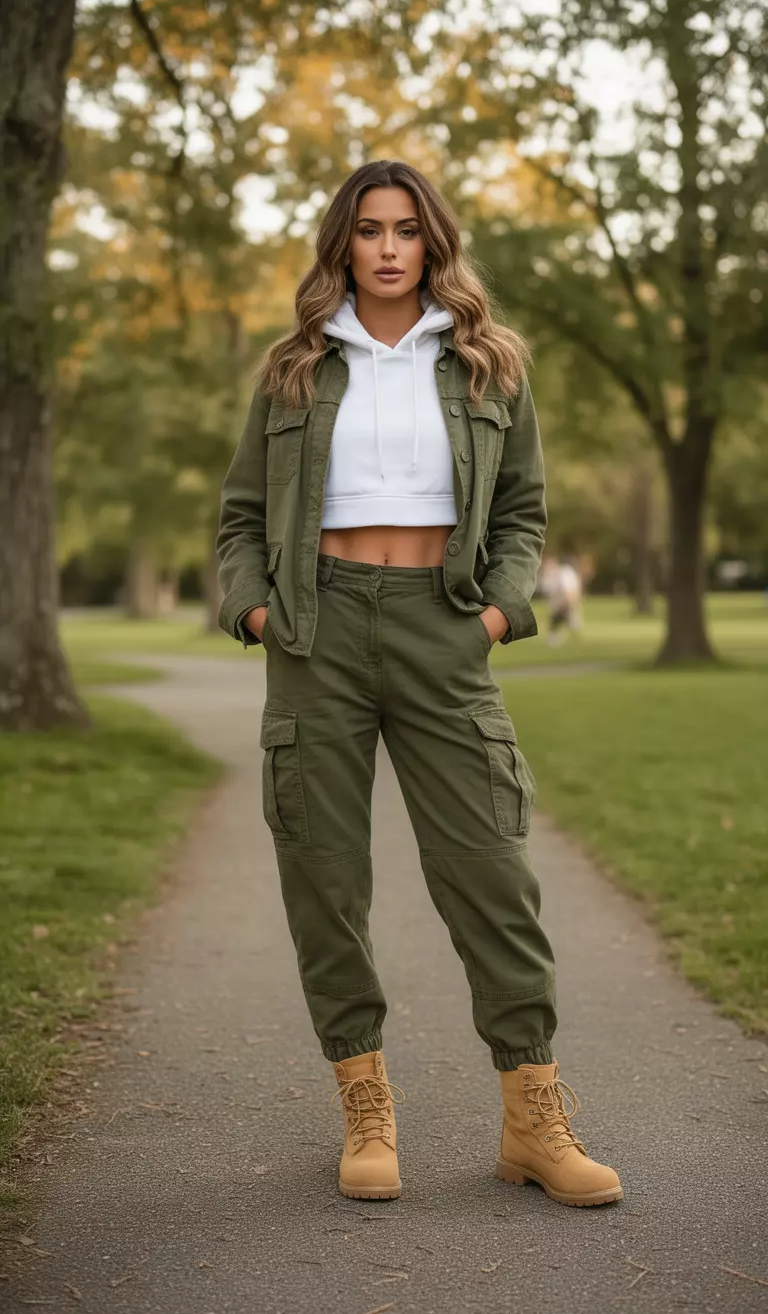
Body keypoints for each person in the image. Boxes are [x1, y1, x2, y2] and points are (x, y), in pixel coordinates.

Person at [216, 160, 622, 1209]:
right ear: (342, 245)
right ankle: (365, 1107)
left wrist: (496, 615)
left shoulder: (488, 364)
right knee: (324, 877)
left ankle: (533, 1120)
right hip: (317, 630)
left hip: (443, 628)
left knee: (492, 870)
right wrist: (258, 613)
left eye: (406, 229)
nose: (389, 248)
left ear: (434, 241)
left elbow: (523, 511)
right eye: (369, 230)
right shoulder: (295, 368)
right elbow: (242, 518)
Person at [539, 554, 584, 646]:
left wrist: (568, 601)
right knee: (560, 618)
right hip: (561, 600)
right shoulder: (562, 573)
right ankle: (556, 635)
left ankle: (557, 635)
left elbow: (568, 590)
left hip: (563, 600)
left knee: (563, 618)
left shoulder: (565, 572)